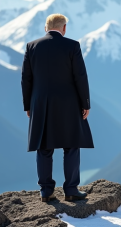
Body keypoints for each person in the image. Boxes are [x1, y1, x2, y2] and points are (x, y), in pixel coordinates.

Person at [21, 13, 93, 202]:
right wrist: (85, 103)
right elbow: (80, 76)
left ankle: (46, 191)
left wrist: (28, 105)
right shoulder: (72, 45)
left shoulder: (32, 46)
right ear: (64, 28)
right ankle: (71, 189)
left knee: (44, 147)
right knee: (71, 145)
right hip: (69, 103)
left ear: (45, 28)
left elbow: (26, 79)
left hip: (40, 103)